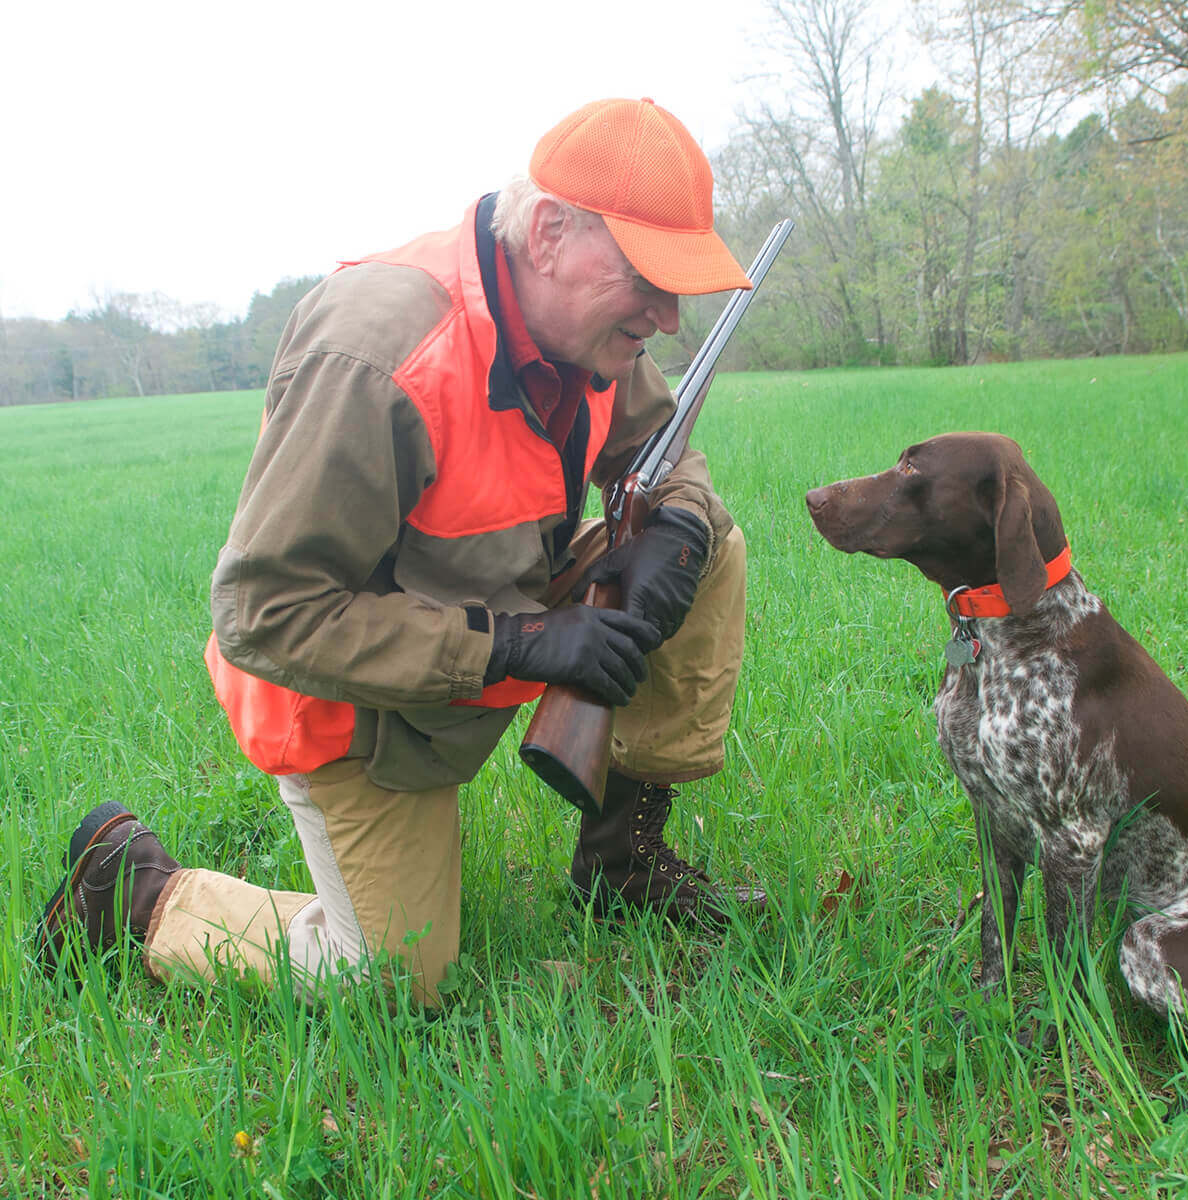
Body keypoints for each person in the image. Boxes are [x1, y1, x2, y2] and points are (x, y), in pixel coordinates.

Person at [39, 97, 766, 1007]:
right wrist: (524, 646)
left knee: (714, 546)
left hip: (497, 619)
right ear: (548, 232)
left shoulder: (587, 331)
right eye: (646, 278)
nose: (666, 314)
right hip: (352, 703)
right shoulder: (379, 356)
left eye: (679, 285)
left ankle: (623, 862)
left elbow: (664, 447)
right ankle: (137, 894)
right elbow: (267, 614)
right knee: (388, 982)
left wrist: (680, 525)